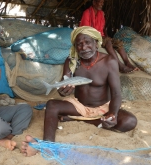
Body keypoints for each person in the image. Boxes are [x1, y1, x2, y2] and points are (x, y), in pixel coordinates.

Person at [21, 26, 137, 157]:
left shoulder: (109, 61)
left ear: (96, 43)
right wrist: (63, 91)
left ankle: (78, 119)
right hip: (79, 106)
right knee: (51, 105)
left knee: (130, 121)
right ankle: (48, 145)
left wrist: (112, 113)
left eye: (87, 42)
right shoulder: (71, 62)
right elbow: (63, 88)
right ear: (75, 47)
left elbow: (116, 93)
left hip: (103, 108)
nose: (83, 47)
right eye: (79, 44)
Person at [79, 0, 138, 73]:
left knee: (118, 43)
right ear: (94, 2)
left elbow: (103, 28)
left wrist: (107, 36)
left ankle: (127, 63)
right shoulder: (87, 13)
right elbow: (85, 30)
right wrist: (101, 38)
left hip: (102, 36)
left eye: (102, 3)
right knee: (108, 42)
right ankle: (120, 66)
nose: (101, 4)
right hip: (92, 37)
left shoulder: (101, 13)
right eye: (100, 2)